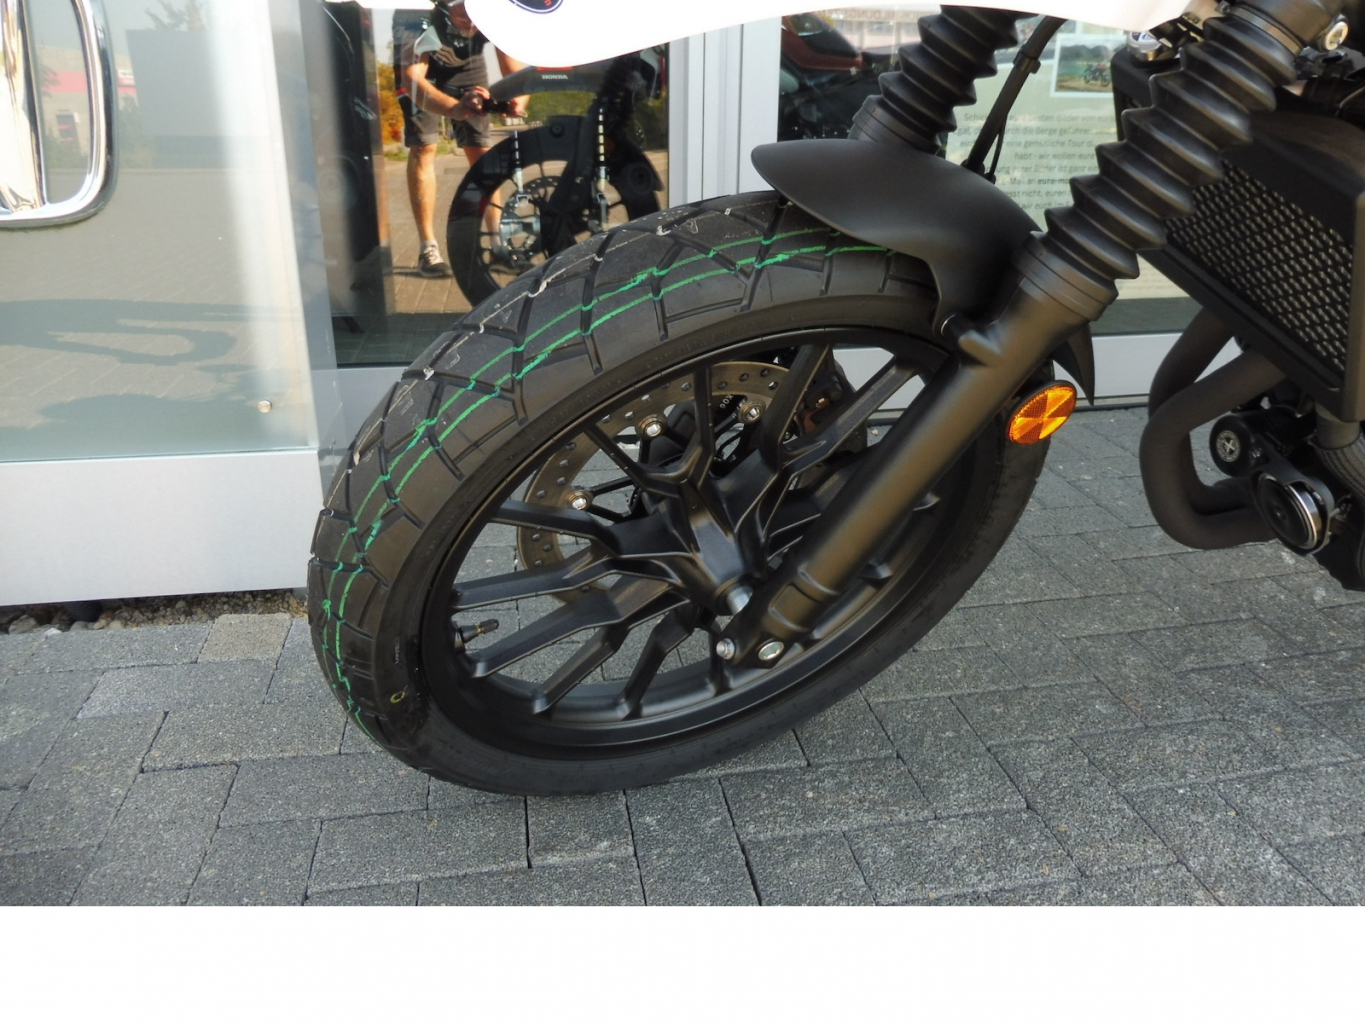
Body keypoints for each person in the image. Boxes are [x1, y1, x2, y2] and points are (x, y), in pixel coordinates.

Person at [394, 1, 528, 278]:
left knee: (482, 153)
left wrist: (518, 98)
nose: (472, 21)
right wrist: (454, 108)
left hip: (467, 64)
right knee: (424, 146)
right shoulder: (416, 10)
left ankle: (498, 246)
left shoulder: (491, 9)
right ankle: (428, 249)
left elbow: (515, 69)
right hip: (422, 70)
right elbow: (412, 79)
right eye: (464, 13)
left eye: (476, 13)